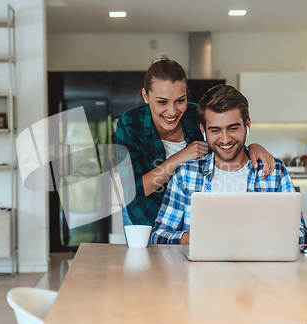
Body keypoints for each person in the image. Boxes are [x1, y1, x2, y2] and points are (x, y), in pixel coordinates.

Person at [115, 56, 276, 228]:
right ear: (145, 96)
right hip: (145, 215)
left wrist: (252, 147)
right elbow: (132, 191)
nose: (172, 111)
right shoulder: (130, 124)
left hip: (192, 221)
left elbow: (224, 143)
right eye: (162, 102)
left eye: (180, 100)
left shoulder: (194, 114)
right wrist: (179, 158)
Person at [150, 84, 307, 244]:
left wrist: (256, 238)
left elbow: (300, 234)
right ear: (203, 130)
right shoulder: (185, 174)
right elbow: (158, 235)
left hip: (260, 267)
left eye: (233, 128)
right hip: (200, 268)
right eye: (215, 130)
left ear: (247, 124)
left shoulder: (274, 171)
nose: (225, 139)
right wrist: (192, 238)